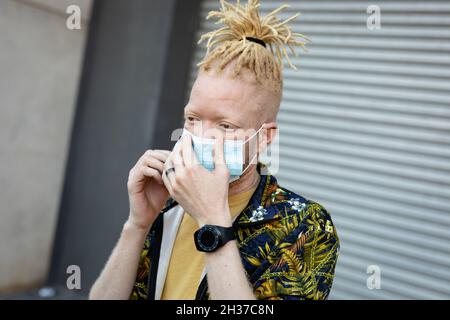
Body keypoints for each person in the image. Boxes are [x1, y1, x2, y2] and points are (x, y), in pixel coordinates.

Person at [89, 0, 339, 300]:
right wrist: (138, 223)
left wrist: (212, 219)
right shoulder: (168, 203)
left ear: (263, 138)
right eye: (193, 119)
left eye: (225, 126)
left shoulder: (305, 226)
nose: (201, 136)